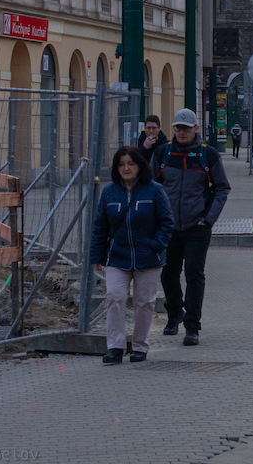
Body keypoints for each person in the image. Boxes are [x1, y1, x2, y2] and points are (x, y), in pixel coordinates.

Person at [152, 109, 231, 347]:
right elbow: (150, 186)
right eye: (178, 128)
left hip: (197, 226)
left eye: (186, 128)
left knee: (194, 274)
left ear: (196, 129)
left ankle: (192, 326)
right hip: (168, 226)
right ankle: (175, 311)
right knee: (167, 273)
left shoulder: (208, 155)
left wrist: (208, 219)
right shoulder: (163, 153)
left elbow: (222, 188)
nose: (182, 132)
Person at [90, 145, 174, 365]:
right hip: (117, 257)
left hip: (148, 258)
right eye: (121, 164)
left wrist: (155, 245)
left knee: (144, 302)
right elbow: (100, 226)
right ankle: (115, 347)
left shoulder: (154, 190)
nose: (126, 168)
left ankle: (139, 346)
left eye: (131, 164)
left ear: (139, 166)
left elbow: (167, 222)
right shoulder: (109, 192)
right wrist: (96, 256)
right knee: (115, 297)